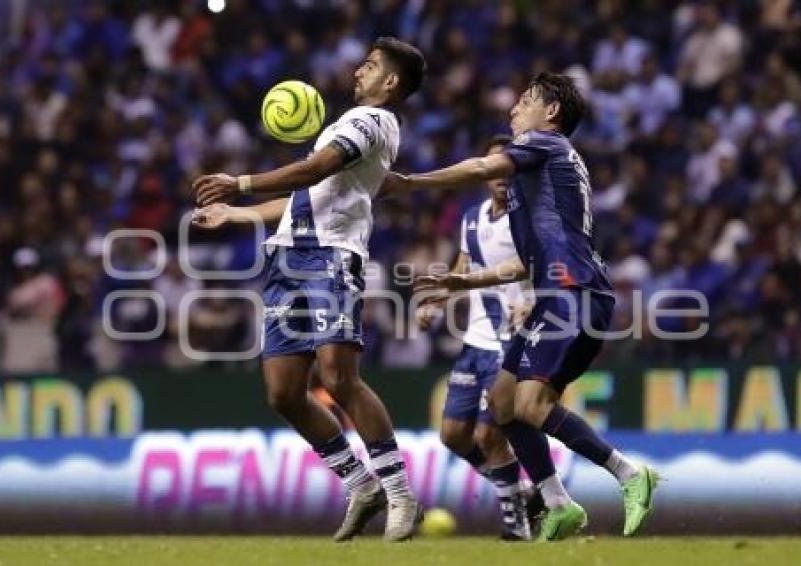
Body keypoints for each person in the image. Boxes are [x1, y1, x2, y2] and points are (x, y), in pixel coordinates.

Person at [392, 72, 658, 541]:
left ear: (550, 112)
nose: (514, 110)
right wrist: (464, 279)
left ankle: (629, 473)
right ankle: (558, 503)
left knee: (532, 405)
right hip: (557, 293)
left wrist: (412, 181)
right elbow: (525, 262)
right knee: (502, 403)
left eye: (524, 101)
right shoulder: (543, 172)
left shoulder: (545, 144)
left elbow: (478, 169)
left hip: (572, 293)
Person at [191, 37, 427, 542]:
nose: (358, 71)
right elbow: (306, 195)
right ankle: (360, 485)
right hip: (288, 261)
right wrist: (238, 214)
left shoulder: (375, 121)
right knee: (283, 391)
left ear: (390, 82)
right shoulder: (342, 123)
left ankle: (402, 494)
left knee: (340, 377)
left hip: (331, 258)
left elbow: (314, 169)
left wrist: (241, 183)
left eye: (370, 65)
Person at [417, 134, 544, 540]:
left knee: (490, 435)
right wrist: (438, 299)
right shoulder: (471, 218)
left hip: (510, 342)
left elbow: (545, 267)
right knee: (453, 435)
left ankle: (517, 528)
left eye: (507, 167)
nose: (500, 176)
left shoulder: (528, 219)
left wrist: (535, 301)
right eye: (493, 169)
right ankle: (522, 491)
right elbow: (465, 264)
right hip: (475, 341)